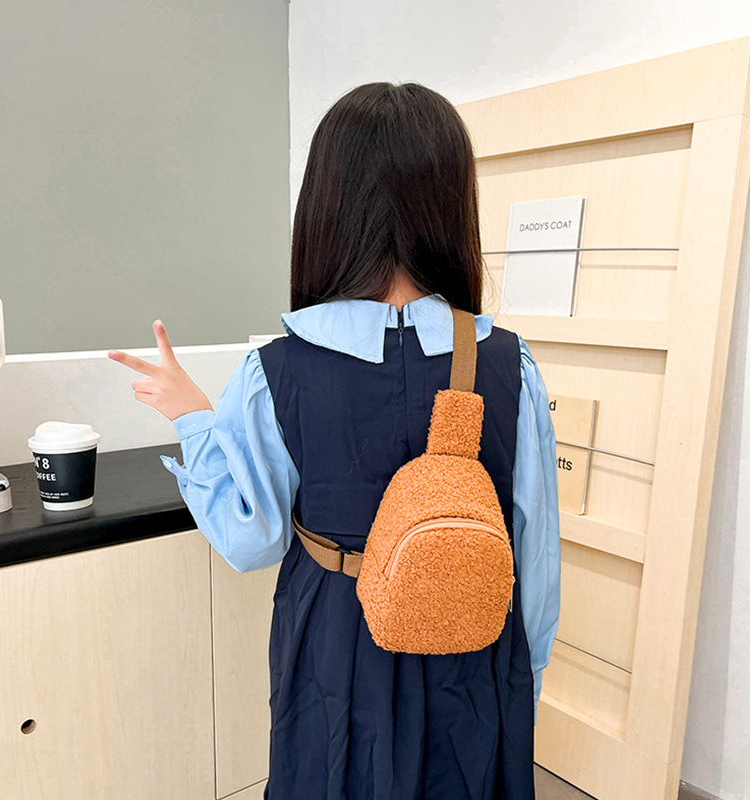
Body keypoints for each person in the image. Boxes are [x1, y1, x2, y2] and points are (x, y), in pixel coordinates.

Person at [108, 81, 560, 800]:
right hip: (475, 638)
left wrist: (193, 416)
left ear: (326, 207)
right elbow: (534, 552)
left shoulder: (275, 371)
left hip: (334, 640)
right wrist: (520, 675)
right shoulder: (511, 364)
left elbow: (251, 537)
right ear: (452, 204)